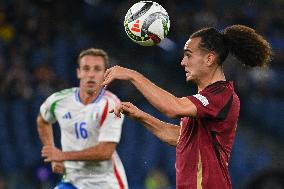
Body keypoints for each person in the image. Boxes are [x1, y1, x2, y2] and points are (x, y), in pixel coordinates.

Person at [102, 25, 272, 189]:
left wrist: (133, 75)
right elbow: (179, 138)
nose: (183, 62)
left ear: (209, 59)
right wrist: (140, 116)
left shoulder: (221, 95)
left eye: (189, 55)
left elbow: (173, 108)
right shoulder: (206, 100)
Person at [37, 48, 128, 189]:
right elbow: (43, 120)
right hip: (72, 182)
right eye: (86, 69)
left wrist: (62, 156)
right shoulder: (59, 100)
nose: (91, 74)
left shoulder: (111, 104)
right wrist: (52, 152)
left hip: (106, 183)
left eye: (97, 69)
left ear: (105, 75)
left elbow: (105, 152)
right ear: (79, 72)